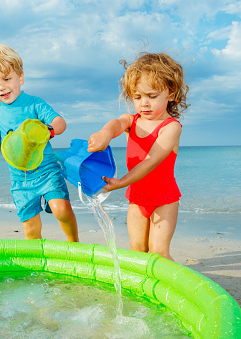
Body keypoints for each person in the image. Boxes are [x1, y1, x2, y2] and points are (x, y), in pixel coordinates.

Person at [87, 52, 189, 260]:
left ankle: (167, 288)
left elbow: (150, 161)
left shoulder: (171, 128)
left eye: (152, 96)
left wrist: (122, 182)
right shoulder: (131, 120)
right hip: (137, 198)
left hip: (164, 199)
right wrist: (104, 135)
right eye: (138, 97)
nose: (144, 103)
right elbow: (117, 124)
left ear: (171, 93)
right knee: (137, 250)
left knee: (159, 252)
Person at [0, 44, 79, 242]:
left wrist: (50, 130)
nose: (1, 87)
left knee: (61, 209)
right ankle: (35, 261)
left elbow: (60, 122)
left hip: (47, 170)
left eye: (7, 79)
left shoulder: (34, 103)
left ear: (20, 77)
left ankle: (74, 243)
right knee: (30, 227)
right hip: (20, 178)